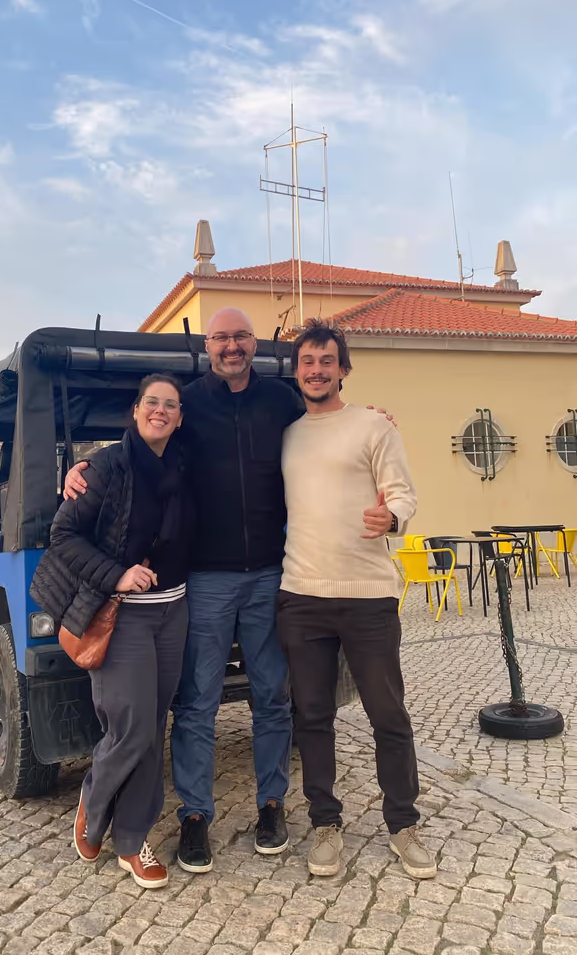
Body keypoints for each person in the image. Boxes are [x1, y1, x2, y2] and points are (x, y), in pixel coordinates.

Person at [65, 308, 392, 874]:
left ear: (254, 343)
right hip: (207, 578)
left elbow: (331, 423)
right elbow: (143, 441)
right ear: (208, 346)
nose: (231, 346)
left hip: (271, 574)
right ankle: (195, 813)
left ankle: (272, 804)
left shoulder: (282, 401)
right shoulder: (188, 404)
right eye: (221, 337)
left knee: (273, 698)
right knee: (197, 702)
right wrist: (84, 466)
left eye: (241, 336)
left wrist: (377, 418)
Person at [277, 319, 436, 880]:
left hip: (369, 596)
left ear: (343, 368)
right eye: (307, 361)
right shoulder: (287, 435)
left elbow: (404, 494)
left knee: (387, 714)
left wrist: (391, 517)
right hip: (301, 595)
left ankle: (403, 824)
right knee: (312, 716)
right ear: (296, 372)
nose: (316, 370)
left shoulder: (373, 426)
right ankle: (326, 823)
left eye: (327, 361)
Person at [31, 373, 190, 889]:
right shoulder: (104, 467)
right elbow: (63, 534)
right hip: (121, 614)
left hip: (173, 611)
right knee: (132, 727)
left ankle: (131, 841)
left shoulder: (184, 464)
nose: (160, 411)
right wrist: (116, 575)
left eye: (170, 405)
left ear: (180, 418)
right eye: (152, 402)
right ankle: (94, 800)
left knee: (154, 727)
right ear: (136, 409)